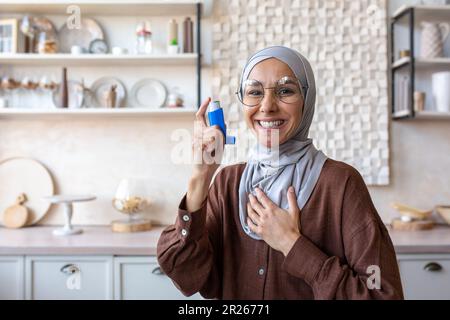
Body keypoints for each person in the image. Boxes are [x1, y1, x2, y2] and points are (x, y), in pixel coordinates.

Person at [157, 46, 404, 300]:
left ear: (306, 100)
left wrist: (292, 244)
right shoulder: (227, 182)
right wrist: (201, 176)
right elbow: (185, 273)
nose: (267, 106)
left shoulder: (341, 184)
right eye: (254, 92)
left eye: (285, 90)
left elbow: (383, 294)